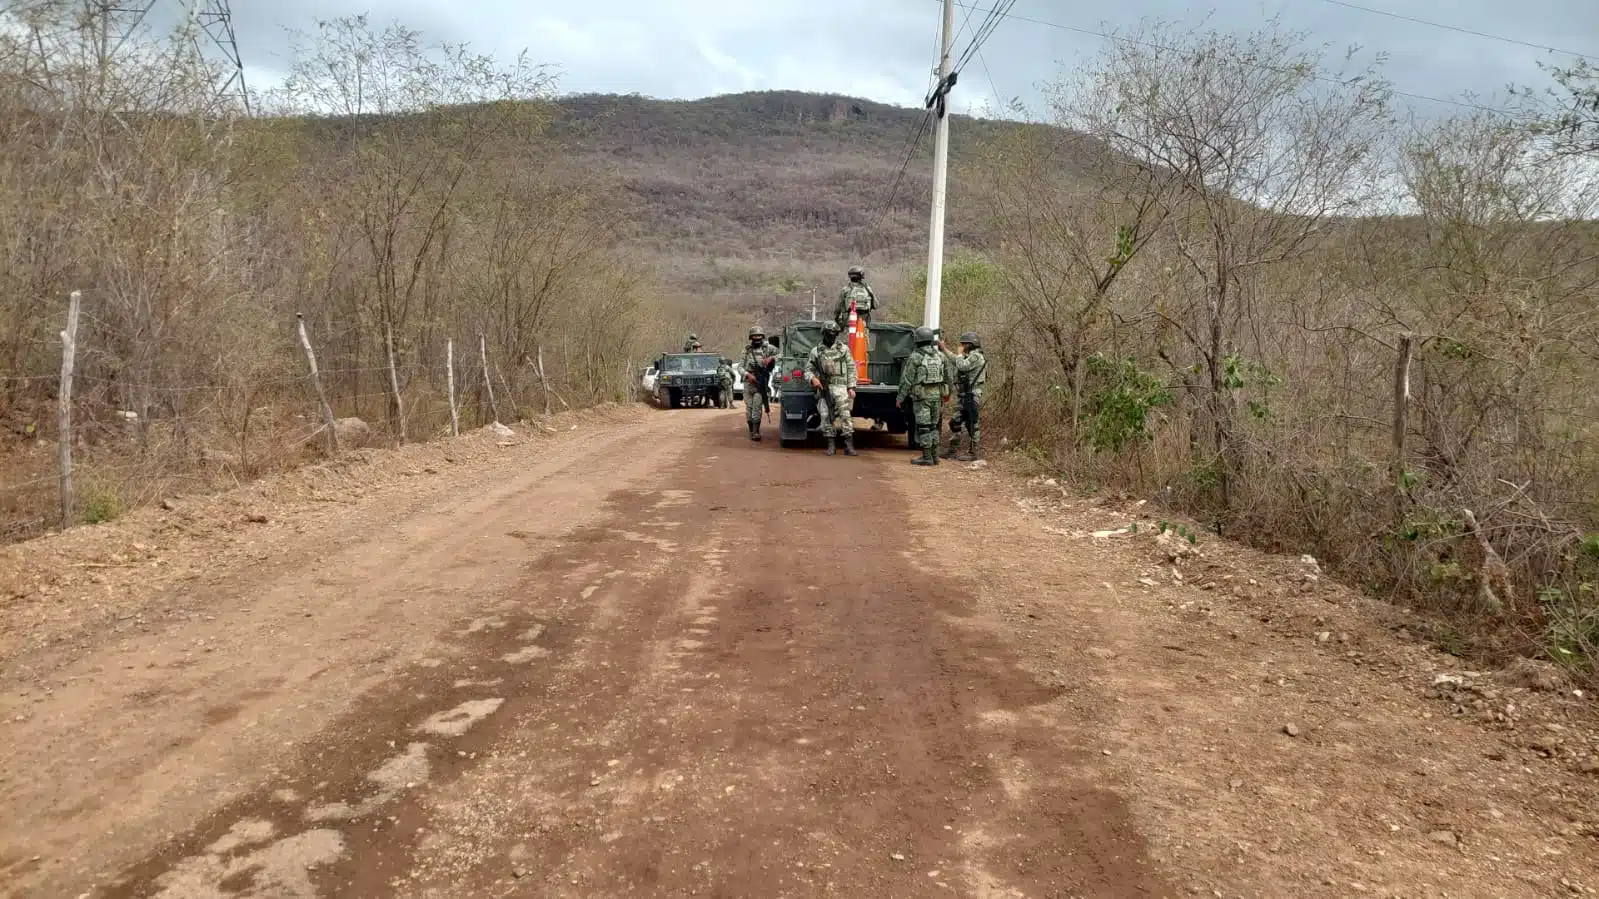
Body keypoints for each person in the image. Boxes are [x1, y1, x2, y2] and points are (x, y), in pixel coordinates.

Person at [804, 320, 858, 456]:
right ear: (824, 333)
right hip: (824, 388)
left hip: (841, 387)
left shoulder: (843, 349)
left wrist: (851, 387)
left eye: (834, 333)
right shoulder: (816, 351)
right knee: (826, 416)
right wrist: (813, 379)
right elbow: (808, 370)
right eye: (829, 333)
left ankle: (848, 445)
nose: (831, 336)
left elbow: (851, 368)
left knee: (845, 415)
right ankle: (831, 445)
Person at [897, 326, 949, 465]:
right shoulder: (940, 356)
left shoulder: (916, 357)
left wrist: (900, 398)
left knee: (924, 427)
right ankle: (935, 456)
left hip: (922, 397)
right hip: (937, 396)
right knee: (933, 426)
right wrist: (947, 393)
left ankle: (927, 457)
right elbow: (948, 376)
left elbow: (907, 380)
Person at [939, 331, 987, 461]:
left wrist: (959, 354)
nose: (961, 346)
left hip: (972, 394)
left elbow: (962, 365)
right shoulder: (969, 356)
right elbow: (956, 360)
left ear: (970, 344)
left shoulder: (976, 356)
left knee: (972, 422)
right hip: (965, 395)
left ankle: (974, 453)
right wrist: (944, 349)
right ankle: (952, 451)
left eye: (963, 344)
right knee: (955, 422)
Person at [741, 326, 777, 440]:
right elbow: (740, 367)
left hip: (761, 381)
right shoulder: (747, 350)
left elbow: (782, 355)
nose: (757, 338)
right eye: (754, 336)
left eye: (759, 336)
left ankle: (756, 432)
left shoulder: (768, 348)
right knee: (749, 408)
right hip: (749, 382)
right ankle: (751, 430)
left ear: (762, 337)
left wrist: (771, 358)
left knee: (757, 406)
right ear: (751, 337)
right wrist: (747, 374)